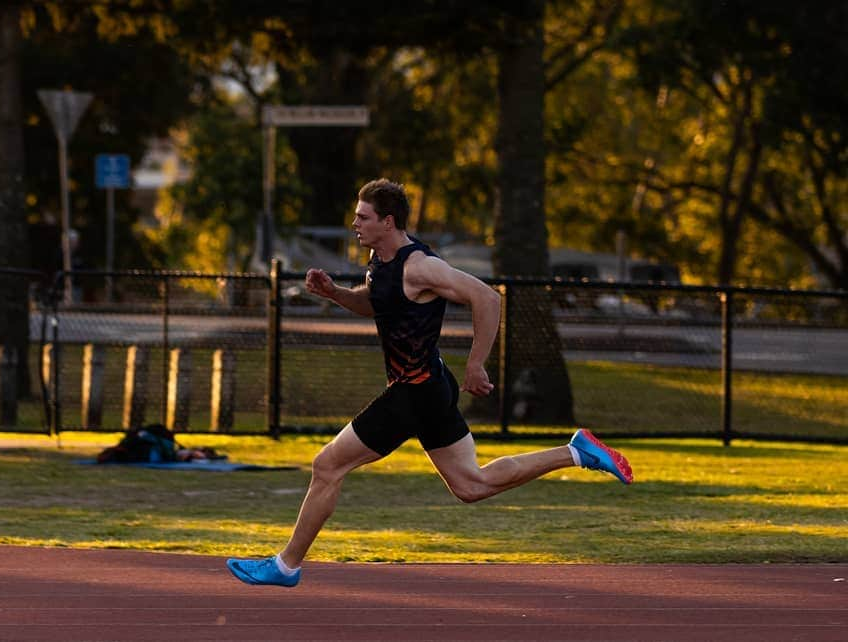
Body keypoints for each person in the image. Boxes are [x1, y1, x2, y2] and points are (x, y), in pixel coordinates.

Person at [227, 179, 633, 587]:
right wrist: (335, 294)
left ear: (388, 221)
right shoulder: (380, 260)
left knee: (327, 464)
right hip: (429, 388)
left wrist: (477, 364)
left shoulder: (420, 266)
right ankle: (575, 452)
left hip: (414, 391)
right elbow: (375, 302)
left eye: (363, 217)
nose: (355, 223)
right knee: (472, 485)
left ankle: (285, 565)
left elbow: (488, 299)